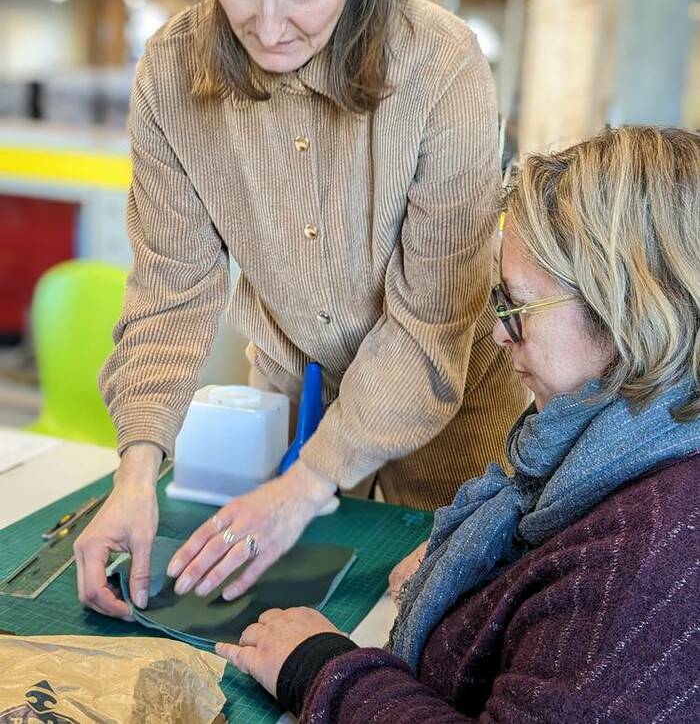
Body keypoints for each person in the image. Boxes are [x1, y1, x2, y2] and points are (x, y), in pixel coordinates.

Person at [74, 0, 527, 619]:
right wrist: (136, 472)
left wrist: (303, 487)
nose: (269, 24)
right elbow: (170, 292)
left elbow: (430, 322)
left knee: (428, 624)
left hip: (454, 405)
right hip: (293, 387)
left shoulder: (443, 67)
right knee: (259, 622)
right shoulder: (173, 74)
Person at [216, 125, 700, 723]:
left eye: (518, 309)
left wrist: (318, 668)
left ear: (627, 311)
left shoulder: (646, 561)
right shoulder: (629, 454)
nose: (499, 335)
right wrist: (475, 569)